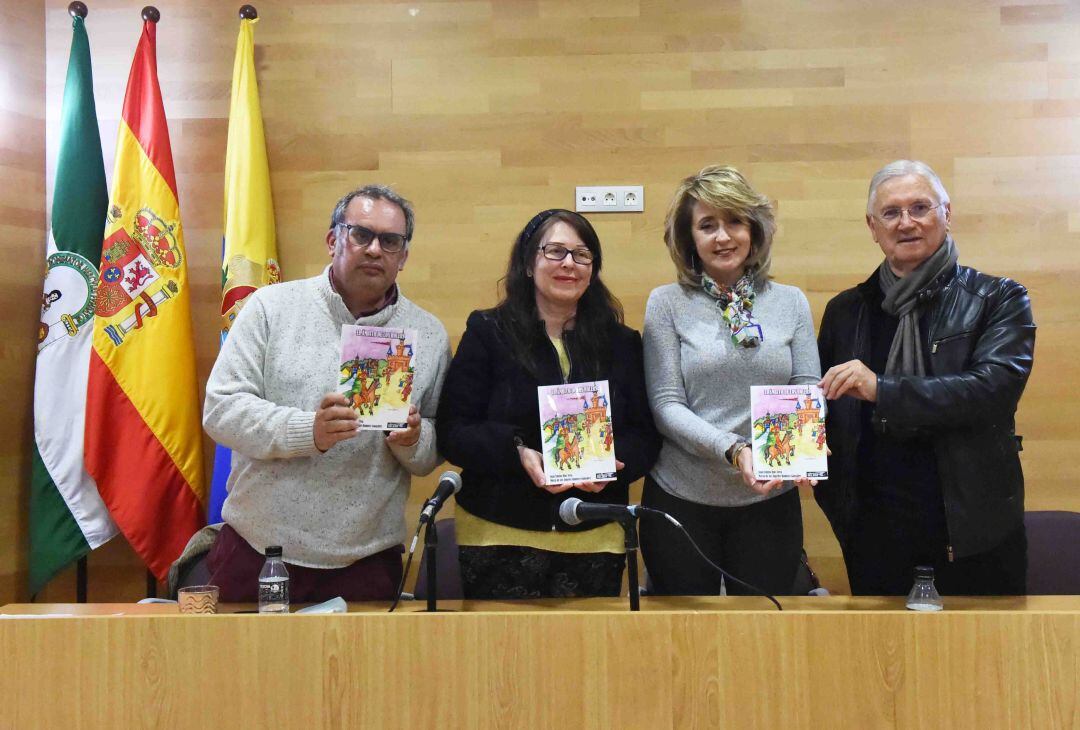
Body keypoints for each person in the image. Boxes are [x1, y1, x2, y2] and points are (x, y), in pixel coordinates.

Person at [203, 184, 451, 602]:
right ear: (333, 239)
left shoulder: (428, 334)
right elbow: (221, 410)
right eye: (361, 234)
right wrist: (308, 431)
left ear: (403, 257)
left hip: (367, 561)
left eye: (390, 241)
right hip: (258, 552)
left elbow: (436, 446)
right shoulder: (270, 308)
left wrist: (413, 440)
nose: (375, 249)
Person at [816, 160, 1036, 596]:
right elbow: (819, 403)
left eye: (920, 207)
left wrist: (882, 388)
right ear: (872, 227)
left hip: (973, 531)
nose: (907, 223)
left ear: (947, 213)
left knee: (981, 660)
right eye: (891, 213)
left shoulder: (999, 299)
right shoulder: (846, 310)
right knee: (883, 663)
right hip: (874, 535)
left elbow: (990, 391)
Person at [436, 209, 660, 599]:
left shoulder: (622, 343)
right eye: (555, 251)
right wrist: (517, 450)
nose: (569, 263)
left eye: (582, 254)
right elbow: (454, 431)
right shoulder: (488, 332)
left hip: (595, 534)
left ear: (593, 269)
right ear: (527, 262)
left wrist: (610, 463)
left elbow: (645, 436)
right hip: (498, 531)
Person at [641, 165, 820, 596]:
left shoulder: (790, 301)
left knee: (763, 633)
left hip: (769, 500)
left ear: (754, 230)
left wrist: (806, 438)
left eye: (734, 221)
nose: (723, 237)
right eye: (707, 225)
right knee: (684, 642)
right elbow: (666, 406)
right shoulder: (666, 304)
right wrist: (736, 449)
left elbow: (807, 387)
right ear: (690, 240)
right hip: (680, 499)